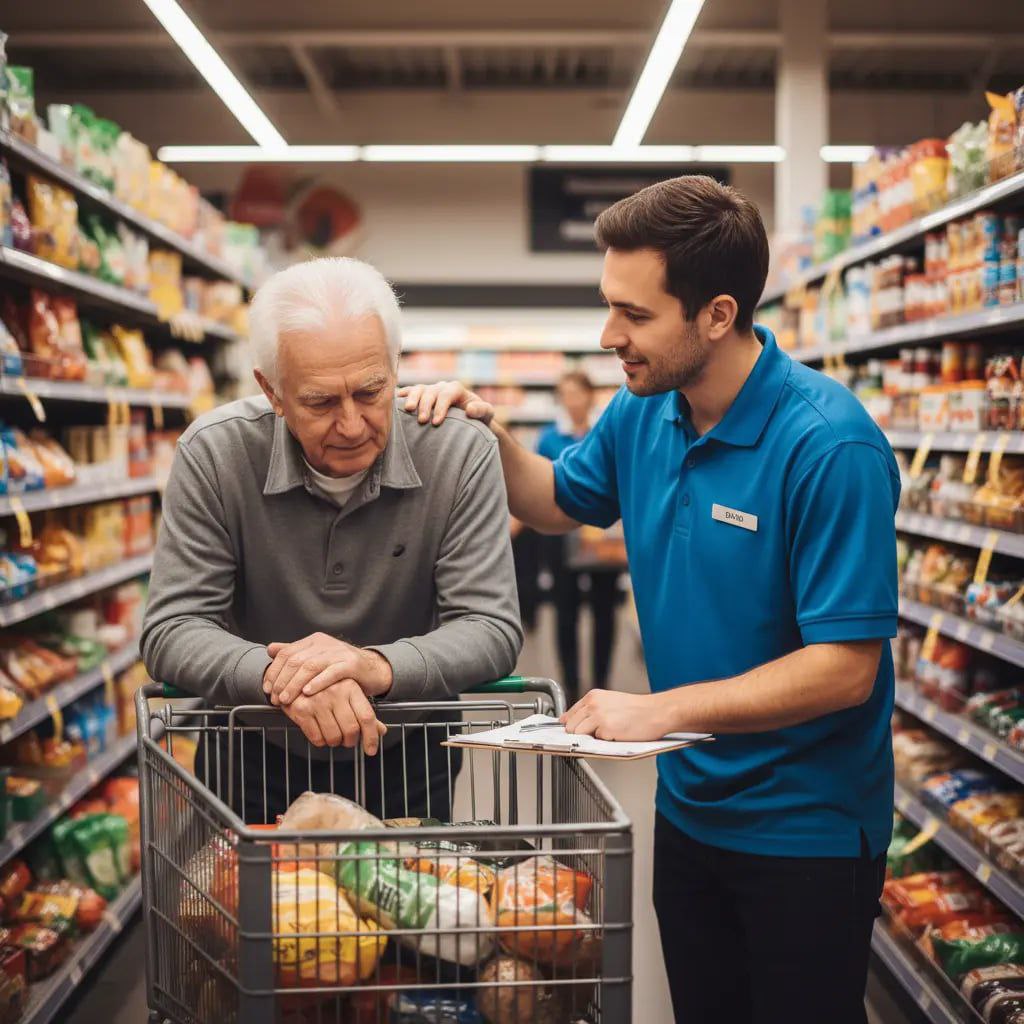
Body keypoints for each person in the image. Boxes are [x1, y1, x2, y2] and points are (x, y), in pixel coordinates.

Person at [399, 175, 899, 1024]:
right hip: (691, 809)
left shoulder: (829, 445)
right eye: (609, 307)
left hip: (804, 827)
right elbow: (557, 500)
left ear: (716, 314)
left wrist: (659, 710)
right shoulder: (646, 413)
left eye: (634, 315)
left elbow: (844, 669)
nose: (609, 336)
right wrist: (488, 434)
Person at [141, 256, 522, 824]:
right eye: (320, 402)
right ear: (271, 390)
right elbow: (172, 627)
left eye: (371, 391)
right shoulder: (215, 453)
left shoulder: (459, 452)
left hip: (407, 759)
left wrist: (374, 666)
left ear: (395, 368)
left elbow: (491, 626)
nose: (351, 424)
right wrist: (280, 680)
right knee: (257, 915)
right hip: (253, 756)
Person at [535, 371, 621, 701]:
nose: (571, 401)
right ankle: (570, 687)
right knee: (565, 610)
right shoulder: (548, 438)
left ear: (589, 395)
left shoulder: (604, 431)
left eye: (576, 393)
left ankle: (601, 681)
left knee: (604, 611)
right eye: (564, 394)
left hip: (602, 533)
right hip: (559, 537)